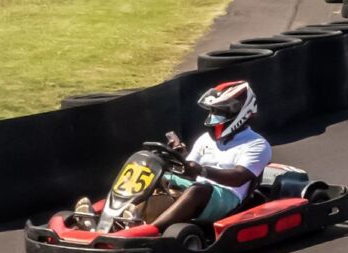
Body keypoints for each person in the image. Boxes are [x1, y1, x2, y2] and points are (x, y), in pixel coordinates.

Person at [76, 81, 271, 230]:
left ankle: (149, 231)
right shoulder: (205, 139)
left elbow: (238, 178)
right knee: (154, 175)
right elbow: (190, 168)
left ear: (240, 111)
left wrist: (202, 171)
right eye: (213, 111)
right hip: (197, 186)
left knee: (198, 190)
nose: (214, 116)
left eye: (220, 111)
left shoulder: (257, 144)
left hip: (227, 197)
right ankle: (107, 220)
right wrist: (179, 156)